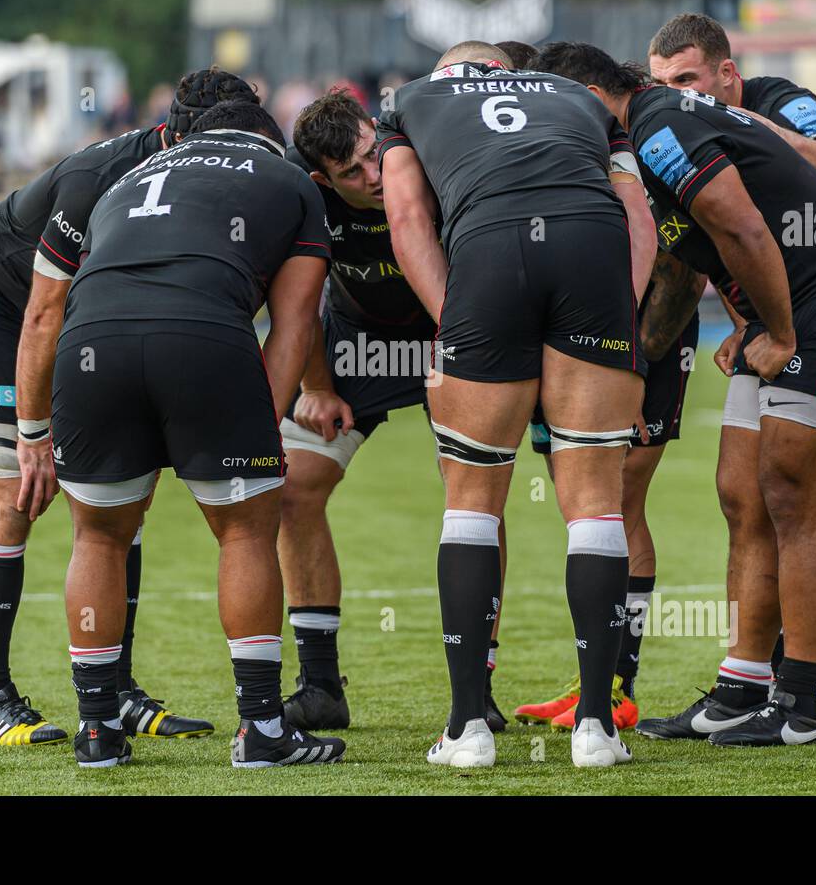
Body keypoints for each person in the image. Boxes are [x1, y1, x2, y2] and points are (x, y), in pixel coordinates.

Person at [586, 45, 816, 747]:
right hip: (780, 312)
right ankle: (742, 684)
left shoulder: (671, 121)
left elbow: (750, 225)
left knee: (809, 494)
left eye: (687, 76)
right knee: (741, 494)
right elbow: (680, 268)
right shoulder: (646, 138)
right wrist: (639, 371)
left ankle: (806, 701)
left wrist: (781, 331)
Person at [0, 68, 252, 746]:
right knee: (13, 491)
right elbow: (41, 314)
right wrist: (32, 432)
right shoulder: (96, 176)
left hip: (77, 320)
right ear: (176, 134)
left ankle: (117, 693)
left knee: (120, 496)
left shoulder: (208, 172)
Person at [378, 41, 654, 768]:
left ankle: (468, 728)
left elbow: (406, 224)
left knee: (472, 502)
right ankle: (597, 727)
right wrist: (612, 317)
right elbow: (638, 217)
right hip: (591, 247)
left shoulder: (409, 101)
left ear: (448, 74)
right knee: (596, 500)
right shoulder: (584, 101)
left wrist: (459, 322)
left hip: (491, 252)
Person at [52, 100, 344, 769]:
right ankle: (262, 729)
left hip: (91, 342)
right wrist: (256, 427)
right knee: (245, 529)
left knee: (97, 536)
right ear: (270, 142)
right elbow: (295, 323)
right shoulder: (288, 179)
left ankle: (96, 730)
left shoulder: (131, 175)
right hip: (202, 334)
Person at [279, 90, 514, 732]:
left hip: (450, 328)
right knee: (294, 491)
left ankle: (478, 687)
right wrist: (316, 386)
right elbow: (294, 305)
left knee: (475, 502)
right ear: (320, 178)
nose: (373, 176)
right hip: (356, 341)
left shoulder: (424, 161)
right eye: (351, 173)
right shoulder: (303, 198)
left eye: (370, 157)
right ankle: (321, 685)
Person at [511, 41, 706, 735]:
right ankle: (600, 677)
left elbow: (683, 269)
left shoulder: (647, 137)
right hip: (598, 343)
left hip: (646, 346)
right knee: (592, 507)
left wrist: (637, 363)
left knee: (619, 500)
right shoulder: (596, 140)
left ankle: (617, 689)